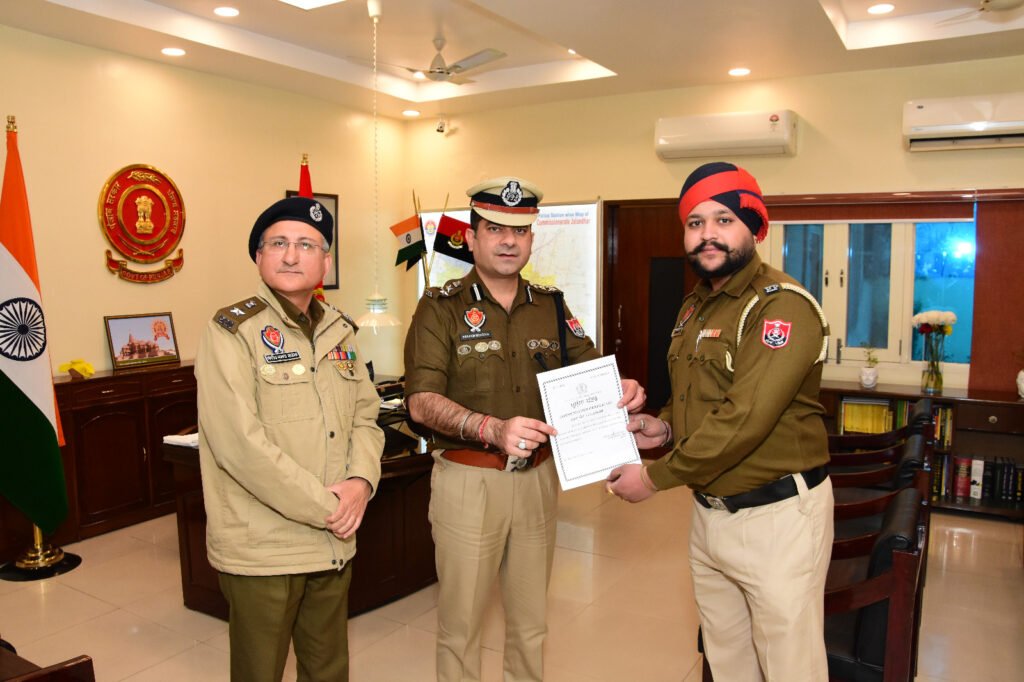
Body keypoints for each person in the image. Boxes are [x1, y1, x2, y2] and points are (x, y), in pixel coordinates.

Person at [404, 177, 646, 682]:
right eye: (495, 229)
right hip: (469, 481)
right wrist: (490, 428)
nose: (509, 241)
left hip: (537, 481)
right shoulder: (440, 307)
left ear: (532, 238)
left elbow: (591, 372)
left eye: (520, 230)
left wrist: (620, 388)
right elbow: (422, 403)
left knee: (531, 624)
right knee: (461, 627)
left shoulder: (550, 306)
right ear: (471, 237)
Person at [608, 162, 834, 682]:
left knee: (790, 667)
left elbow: (744, 418)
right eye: (695, 222)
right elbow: (698, 395)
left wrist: (654, 478)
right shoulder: (697, 306)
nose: (707, 233)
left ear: (753, 228)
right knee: (728, 660)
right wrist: (664, 428)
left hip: (777, 517)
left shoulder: (781, 307)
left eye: (724, 220)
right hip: (710, 512)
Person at [195, 196, 383, 682]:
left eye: (307, 245)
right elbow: (240, 446)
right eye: (278, 243)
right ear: (259, 256)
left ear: (326, 262)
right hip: (265, 549)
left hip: (332, 543)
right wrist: (330, 508)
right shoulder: (231, 331)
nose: (292, 255)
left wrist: (361, 482)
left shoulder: (339, 329)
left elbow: (366, 415)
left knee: (328, 671)